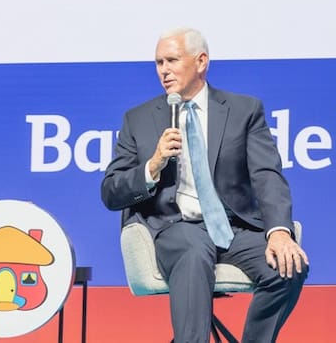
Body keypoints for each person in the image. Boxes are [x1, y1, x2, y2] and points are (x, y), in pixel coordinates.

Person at [101, 27, 307, 343]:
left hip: (232, 229)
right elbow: (111, 191)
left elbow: (268, 175)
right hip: (175, 228)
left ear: (201, 62)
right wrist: (152, 166)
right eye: (158, 63)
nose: (163, 71)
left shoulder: (244, 111)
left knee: (288, 267)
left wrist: (279, 231)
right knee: (194, 249)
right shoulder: (138, 119)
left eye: (171, 60)